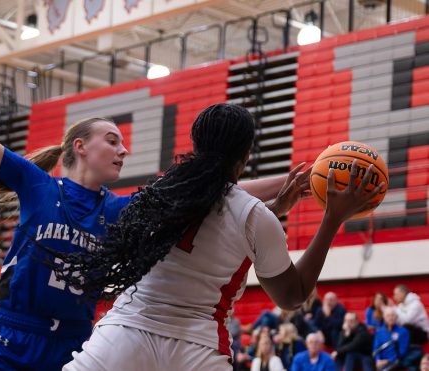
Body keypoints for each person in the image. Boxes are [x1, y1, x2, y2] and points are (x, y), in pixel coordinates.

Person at [0, 19, 292, 371]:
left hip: (76, 344)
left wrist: (296, 180)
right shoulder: (34, 183)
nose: (124, 150)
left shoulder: (119, 209)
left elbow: (212, 191)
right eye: (114, 140)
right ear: (79, 146)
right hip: (12, 340)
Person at [51, 103, 382, 370]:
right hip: (195, 347)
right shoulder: (254, 216)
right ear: (246, 156)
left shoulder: (162, 192)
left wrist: (276, 207)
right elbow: (292, 296)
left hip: (124, 336)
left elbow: (212, 213)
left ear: (196, 145)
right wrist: (332, 218)